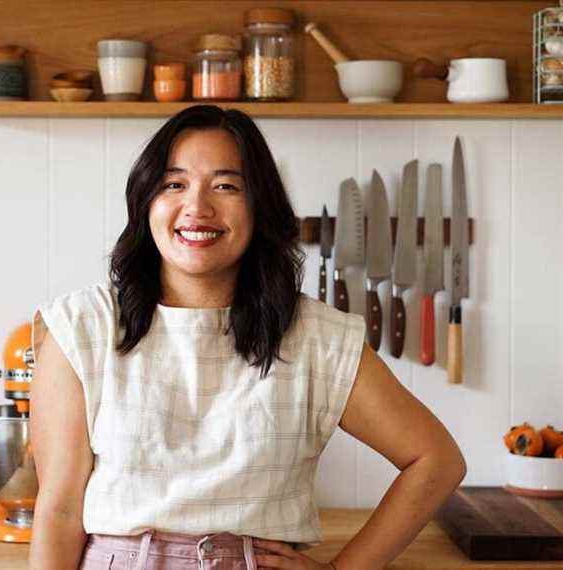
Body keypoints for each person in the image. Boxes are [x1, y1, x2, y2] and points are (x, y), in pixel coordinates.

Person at [27, 104, 466, 570]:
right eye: (174, 184)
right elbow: (59, 511)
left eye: (226, 186)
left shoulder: (317, 338)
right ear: (145, 202)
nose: (197, 206)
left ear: (259, 208)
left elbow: (435, 460)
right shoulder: (82, 327)